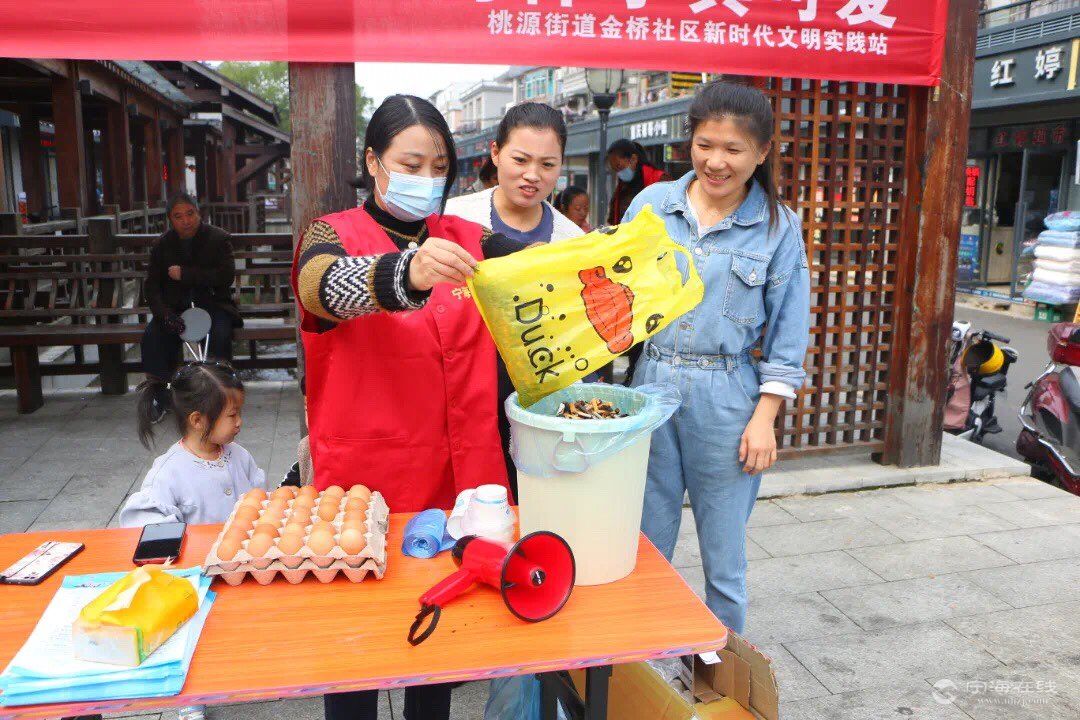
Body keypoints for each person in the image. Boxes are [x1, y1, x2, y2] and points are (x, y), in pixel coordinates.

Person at [292, 94, 537, 720]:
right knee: (356, 660)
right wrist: (406, 273)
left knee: (437, 656)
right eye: (412, 163)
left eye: (439, 168)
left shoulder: (468, 239)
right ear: (374, 162)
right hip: (365, 485)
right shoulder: (330, 233)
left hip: (459, 479)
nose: (428, 181)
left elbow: (542, 267)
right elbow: (318, 288)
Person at [622, 81, 810, 634]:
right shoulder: (652, 205)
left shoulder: (778, 227)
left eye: (733, 149)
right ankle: (639, 670)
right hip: (649, 385)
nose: (716, 162)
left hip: (729, 398)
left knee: (723, 561)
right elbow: (609, 287)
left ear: (762, 152)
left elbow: (788, 335)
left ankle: (716, 677)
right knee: (642, 545)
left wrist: (765, 420)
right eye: (705, 145)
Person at [444, 102, 584, 490]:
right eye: (520, 159)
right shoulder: (453, 219)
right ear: (495, 153)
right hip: (460, 390)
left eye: (548, 165)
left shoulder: (572, 241)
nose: (532, 175)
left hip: (536, 401)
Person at [121, 360, 265, 720]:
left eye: (239, 413)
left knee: (232, 625)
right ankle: (190, 699)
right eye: (232, 415)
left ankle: (236, 668)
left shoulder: (238, 456)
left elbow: (257, 494)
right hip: (195, 575)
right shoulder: (171, 471)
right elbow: (143, 519)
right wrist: (174, 547)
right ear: (198, 420)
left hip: (237, 563)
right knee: (192, 636)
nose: (239, 423)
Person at [141, 194, 240, 422]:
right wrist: (164, 314)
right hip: (175, 308)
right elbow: (152, 288)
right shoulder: (161, 245)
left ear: (198, 213)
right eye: (178, 216)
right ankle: (161, 394)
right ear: (170, 220)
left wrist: (186, 274)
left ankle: (222, 393)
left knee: (220, 334)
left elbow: (225, 276)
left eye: (190, 214)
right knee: (153, 336)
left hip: (214, 304)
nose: (185, 220)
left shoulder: (218, 238)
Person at [605, 140, 667, 383]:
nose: (618, 171)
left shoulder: (660, 181)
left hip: (654, 264)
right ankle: (634, 370)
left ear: (632, 159)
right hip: (629, 266)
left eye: (619, 165)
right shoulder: (622, 188)